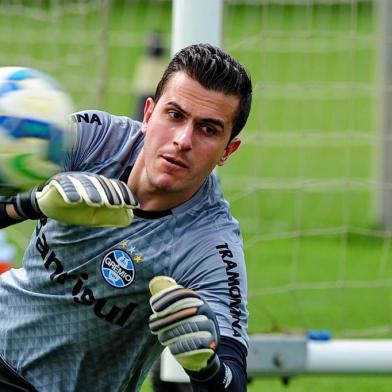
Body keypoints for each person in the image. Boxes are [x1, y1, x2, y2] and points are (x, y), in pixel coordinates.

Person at [0, 43, 252, 392]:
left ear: (228, 150)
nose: (182, 140)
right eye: (175, 115)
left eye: (208, 129)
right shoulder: (94, 139)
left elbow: (233, 380)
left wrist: (207, 369)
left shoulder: (209, 246)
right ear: (149, 114)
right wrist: (31, 204)